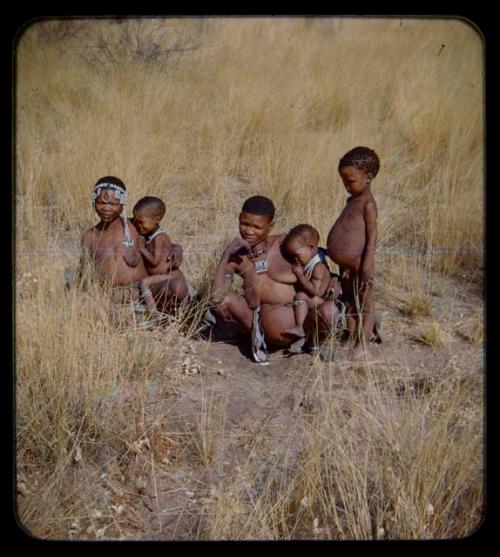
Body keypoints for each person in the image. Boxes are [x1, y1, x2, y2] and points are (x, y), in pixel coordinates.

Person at [211, 195, 341, 364]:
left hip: (304, 320)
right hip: (262, 326)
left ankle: (314, 344)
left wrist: (333, 279)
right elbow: (216, 297)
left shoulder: (285, 245)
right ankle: (256, 339)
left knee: (329, 310)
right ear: (239, 219)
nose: (249, 231)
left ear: (270, 226)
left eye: (257, 227)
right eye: (244, 224)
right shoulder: (237, 255)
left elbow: (316, 260)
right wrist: (225, 256)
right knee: (226, 301)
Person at [80, 176, 184, 314]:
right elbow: (85, 272)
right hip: (111, 296)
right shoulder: (89, 237)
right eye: (100, 202)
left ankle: (164, 318)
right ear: (93, 201)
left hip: (144, 289)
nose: (106, 208)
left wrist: (177, 247)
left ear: (123, 203)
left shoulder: (135, 226)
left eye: (113, 204)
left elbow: (160, 237)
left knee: (177, 287)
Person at [326, 146, 381, 359]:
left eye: (350, 181)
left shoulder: (368, 204)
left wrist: (366, 266)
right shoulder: (352, 200)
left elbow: (371, 237)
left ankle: (363, 344)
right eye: (343, 181)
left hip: (361, 264)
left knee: (365, 303)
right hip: (347, 266)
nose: (346, 186)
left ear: (368, 177)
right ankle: (350, 335)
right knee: (349, 299)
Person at [132, 196, 190, 315]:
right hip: (164, 277)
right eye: (136, 222)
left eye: (141, 222)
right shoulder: (151, 235)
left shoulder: (159, 237)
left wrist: (142, 248)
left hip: (170, 276)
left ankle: (152, 313)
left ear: (157, 219)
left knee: (144, 283)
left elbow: (155, 261)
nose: (138, 226)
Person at [282, 224, 333, 340]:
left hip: (322, 301)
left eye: (296, 255)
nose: (295, 258)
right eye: (291, 255)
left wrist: (300, 275)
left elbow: (315, 291)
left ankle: (300, 327)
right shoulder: (310, 258)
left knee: (300, 296)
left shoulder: (318, 267)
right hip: (318, 300)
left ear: (312, 248)